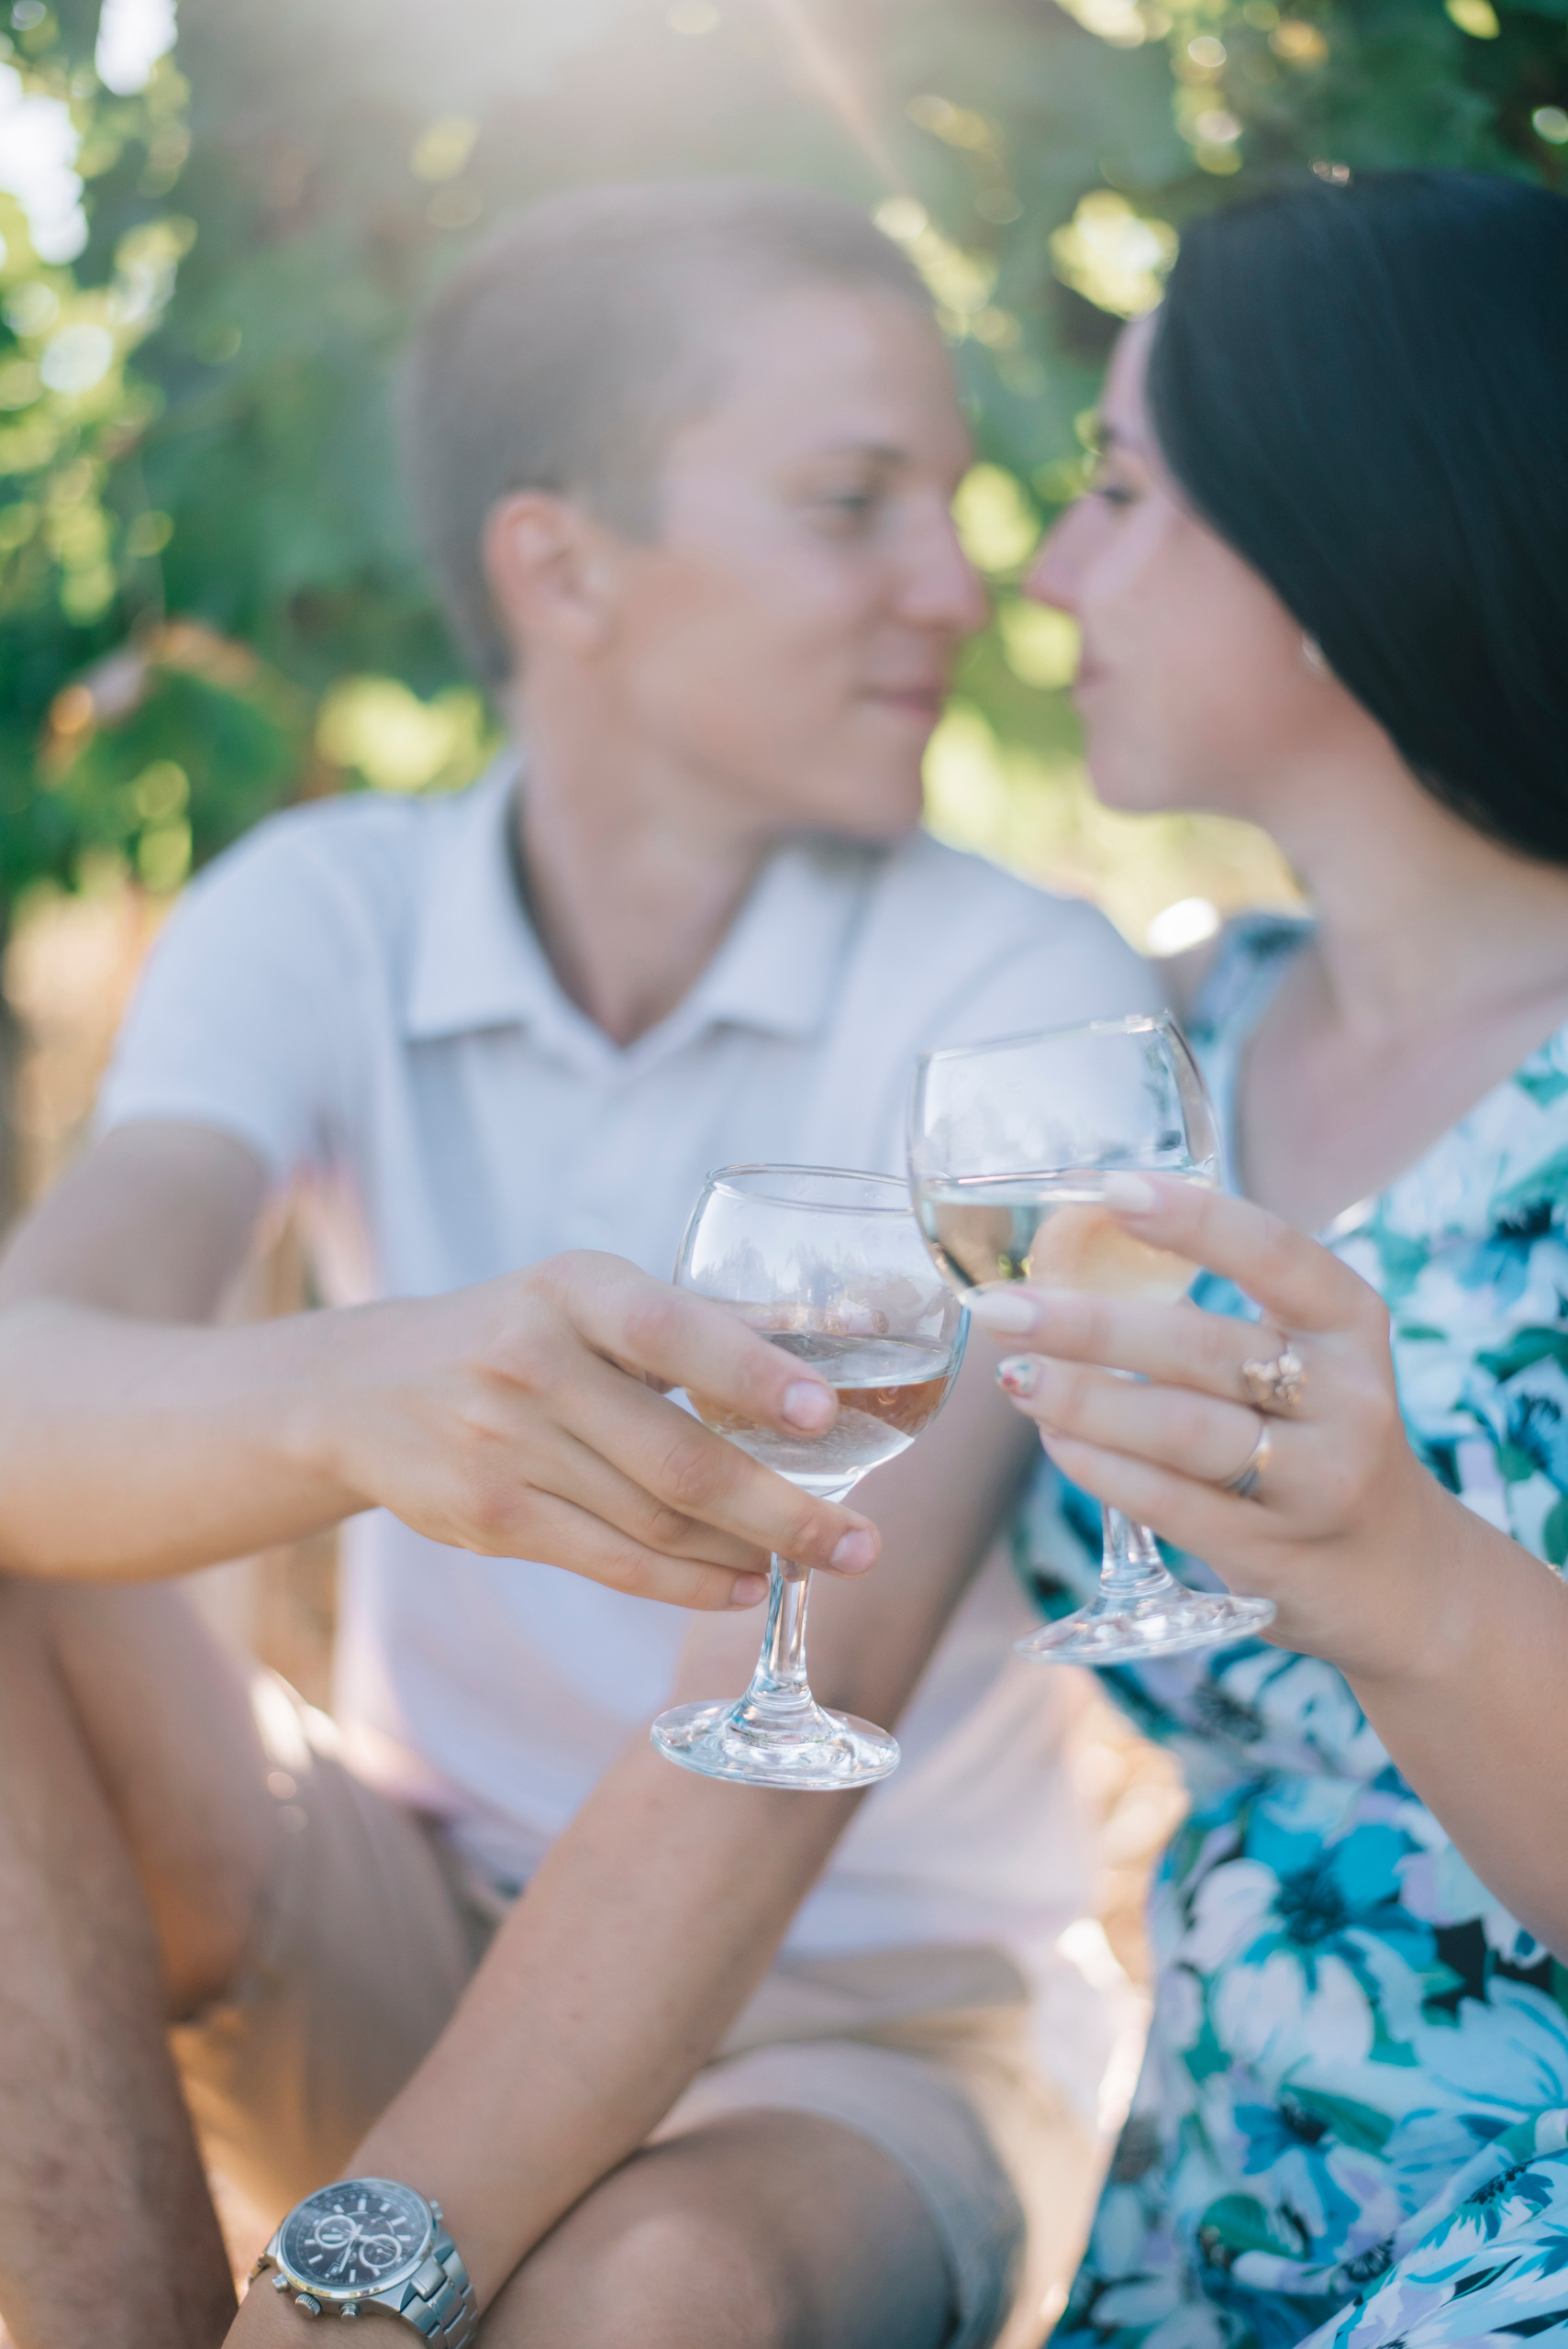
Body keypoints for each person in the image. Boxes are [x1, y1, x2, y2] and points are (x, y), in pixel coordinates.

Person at [0, 182, 1151, 2349]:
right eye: (852, 503)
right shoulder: (324, 903)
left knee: (650, 2300)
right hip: (398, 1921)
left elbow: (778, 1727)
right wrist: (357, 1394)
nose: (955, 583)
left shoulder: (1017, 988)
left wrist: (355, 2292)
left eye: (955, 501)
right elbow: (25, 1362)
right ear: (563, 561)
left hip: (867, 2026)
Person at [964, 169, 1568, 2347]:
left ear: (1335, 536)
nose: (1051, 565)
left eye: (1123, 489)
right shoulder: (1168, 1044)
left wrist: (1406, 1574)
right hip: (1212, 2214)